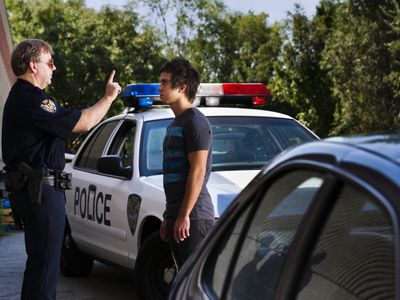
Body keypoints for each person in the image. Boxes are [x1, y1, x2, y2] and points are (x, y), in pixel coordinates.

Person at [1, 39, 121, 300]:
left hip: (35, 190)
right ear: (34, 66)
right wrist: (109, 97)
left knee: (40, 265)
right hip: (40, 192)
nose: (53, 68)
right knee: (44, 269)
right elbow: (84, 122)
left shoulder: (21, 98)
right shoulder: (34, 100)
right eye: (50, 62)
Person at [158, 58, 214, 269]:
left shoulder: (195, 122)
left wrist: (184, 216)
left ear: (181, 88)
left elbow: (198, 172)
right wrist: (168, 216)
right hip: (177, 215)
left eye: (164, 82)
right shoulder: (176, 122)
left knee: (193, 284)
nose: (160, 87)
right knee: (183, 280)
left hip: (195, 217)